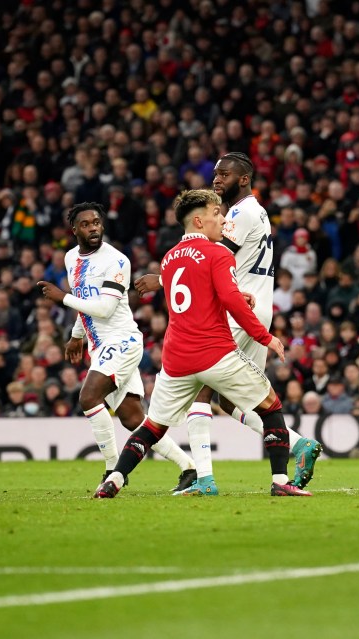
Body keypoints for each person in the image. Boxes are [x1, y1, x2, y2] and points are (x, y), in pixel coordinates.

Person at [95, 190, 310, 498]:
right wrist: (266, 336)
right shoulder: (218, 253)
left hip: (176, 360)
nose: (222, 219)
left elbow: (199, 301)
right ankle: (280, 482)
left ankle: (115, 478)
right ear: (199, 220)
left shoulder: (168, 259)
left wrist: (235, 296)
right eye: (216, 214)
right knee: (271, 408)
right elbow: (229, 302)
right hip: (215, 354)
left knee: (153, 426)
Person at [136, 153, 321, 495]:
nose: (217, 179)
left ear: (244, 179)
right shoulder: (258, 212)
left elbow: (204, 259)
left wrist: (161, 279)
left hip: (236, 307)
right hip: (255, 304)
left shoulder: (239, 213)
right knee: (236, 401)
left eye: (225, 174)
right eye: (216, 174)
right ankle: (298, 445)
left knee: (198, 386)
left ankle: (203, 478)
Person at [37, 202, 196, 491]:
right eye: (86, 224)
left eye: (97, 222)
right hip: (100, 346)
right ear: (74, 230)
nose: (94, 227)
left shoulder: (117, 260)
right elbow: (84, 299)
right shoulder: (72, 257)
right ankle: (189, 468)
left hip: (122, 341)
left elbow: (106, 308)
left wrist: (61, 298)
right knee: (133, 418)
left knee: (88, 398)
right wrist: (77, 334)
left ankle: (111, 469)